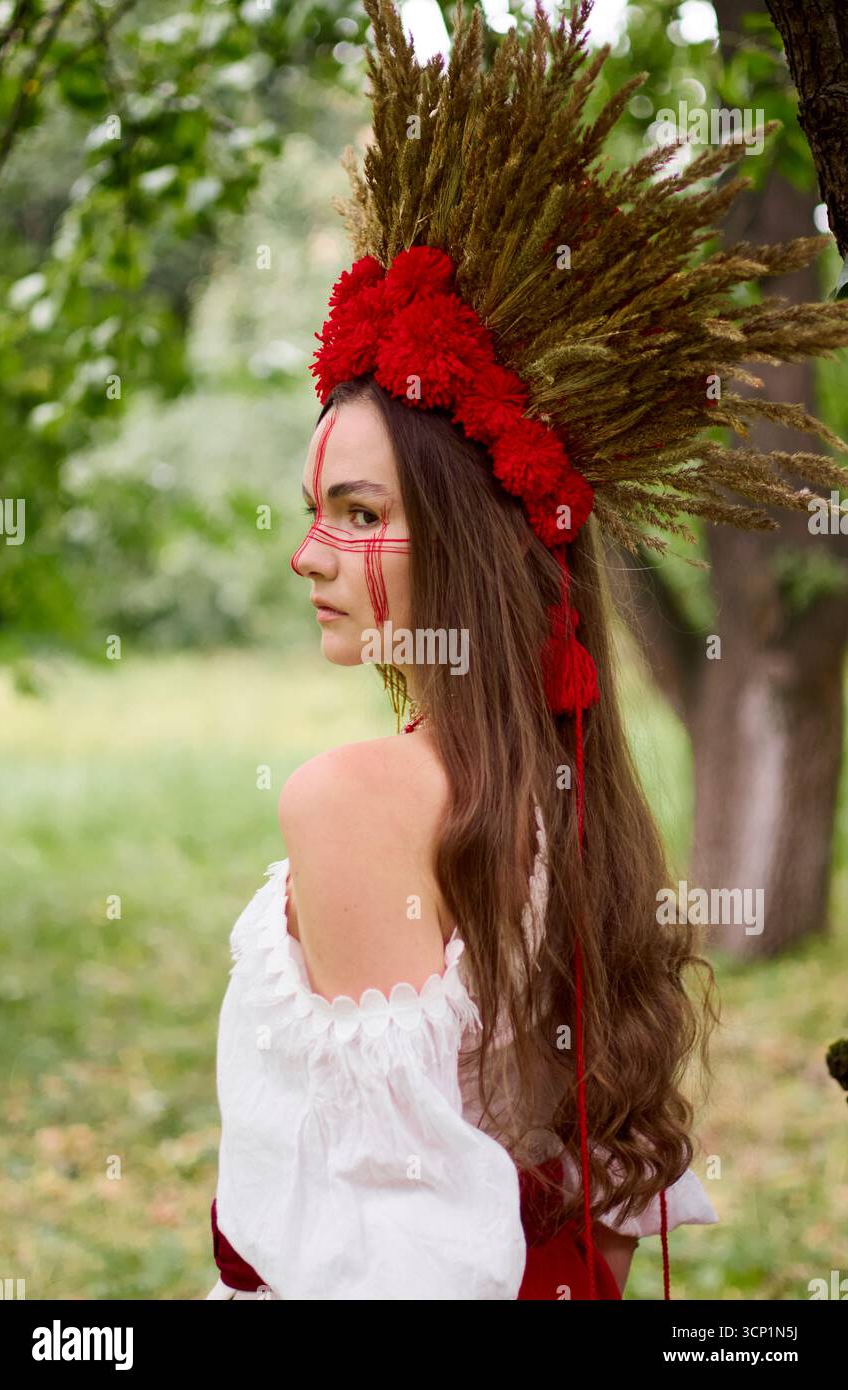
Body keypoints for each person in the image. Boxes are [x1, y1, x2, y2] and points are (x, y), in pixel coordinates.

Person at [206, 0, 848, 1301]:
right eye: (313, 513)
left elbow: (394, 1263)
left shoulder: (354, 796)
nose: (308, 556)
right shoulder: (567, 779)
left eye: (359, 515)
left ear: (467, 547)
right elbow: (592, 1182)